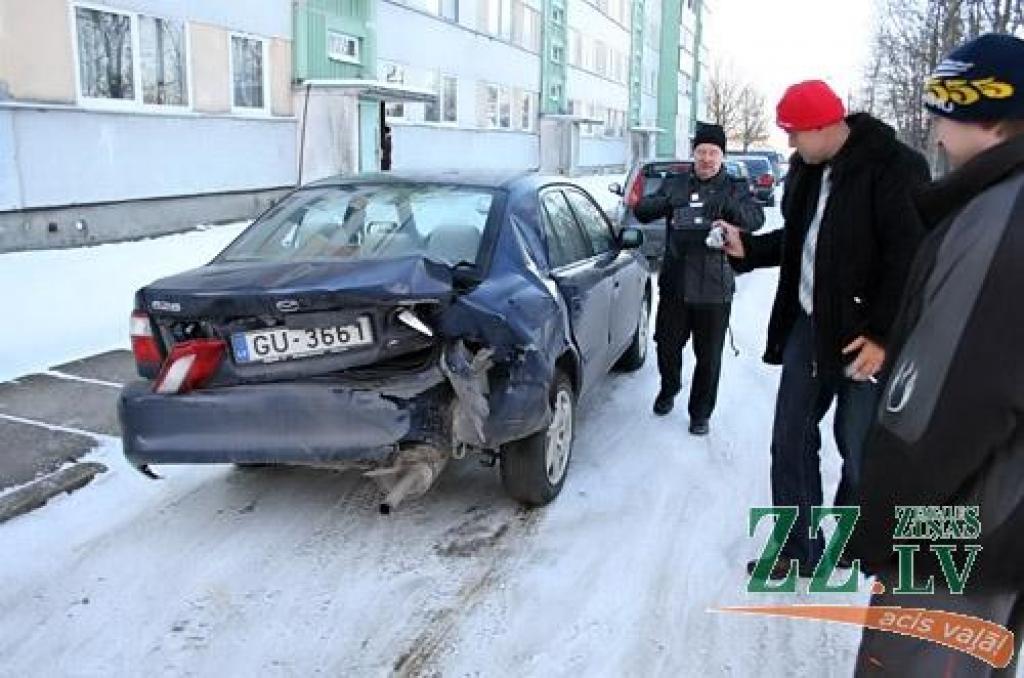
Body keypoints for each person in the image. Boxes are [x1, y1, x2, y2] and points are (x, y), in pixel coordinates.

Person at [849, 33, 1024, 676]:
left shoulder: (999, 220)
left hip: (958, 529)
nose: (936, 126)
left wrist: (884, 524)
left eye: (942, 106)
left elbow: (947, 406)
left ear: (986, 111)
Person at [721, 81, 931, 577]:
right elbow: (799, 242)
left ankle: (860, 537)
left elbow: (911, 257)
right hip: (808, 326)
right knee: (790, 439)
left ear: (825, 127)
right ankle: (798, 548)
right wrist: (748, 250)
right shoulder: (806, 170)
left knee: (858, 444)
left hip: (863, 337)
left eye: (796, 134)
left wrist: (883, 335)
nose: (791, 145)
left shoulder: (895, 168)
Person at [634, 122, 764, 435]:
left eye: (713, 152)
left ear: (722, 155)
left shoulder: (735, 187)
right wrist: (669, 200)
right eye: (701, 152)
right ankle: (670, 387)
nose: (706, 158)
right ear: (694, 154)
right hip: (676, 284)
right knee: (666, 346)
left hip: (714, 289)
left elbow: (756, 219)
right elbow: (642, 211)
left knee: (708, 358)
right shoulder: (676, 181)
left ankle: (700, 413)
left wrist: (729, 208)